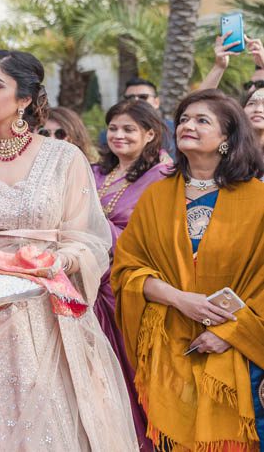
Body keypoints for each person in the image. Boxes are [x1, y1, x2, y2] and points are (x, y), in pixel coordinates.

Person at [0, 50, 138, 450]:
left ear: (24, 98)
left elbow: (88, 240)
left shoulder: (64, 158)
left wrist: (57, 260)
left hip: (48, 314)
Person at [112, 89, 264, 452]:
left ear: (227, 137)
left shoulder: (257, 200)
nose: (187, 126)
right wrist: (180, 299)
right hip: (170, 352)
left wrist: (229, 332)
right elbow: (127, 269)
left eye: (201, 120)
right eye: (183, 119)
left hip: (238, 353)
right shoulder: (157, 196)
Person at [91, 100, 171, 451]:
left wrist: (92, 223)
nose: (118, 135)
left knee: (128, 368)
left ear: (150, 134)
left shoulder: (163, 176)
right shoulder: (94, 172)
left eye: (128, 129)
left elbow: (151, 235)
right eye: (113, 128)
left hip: (125, 285)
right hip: (83, 282)